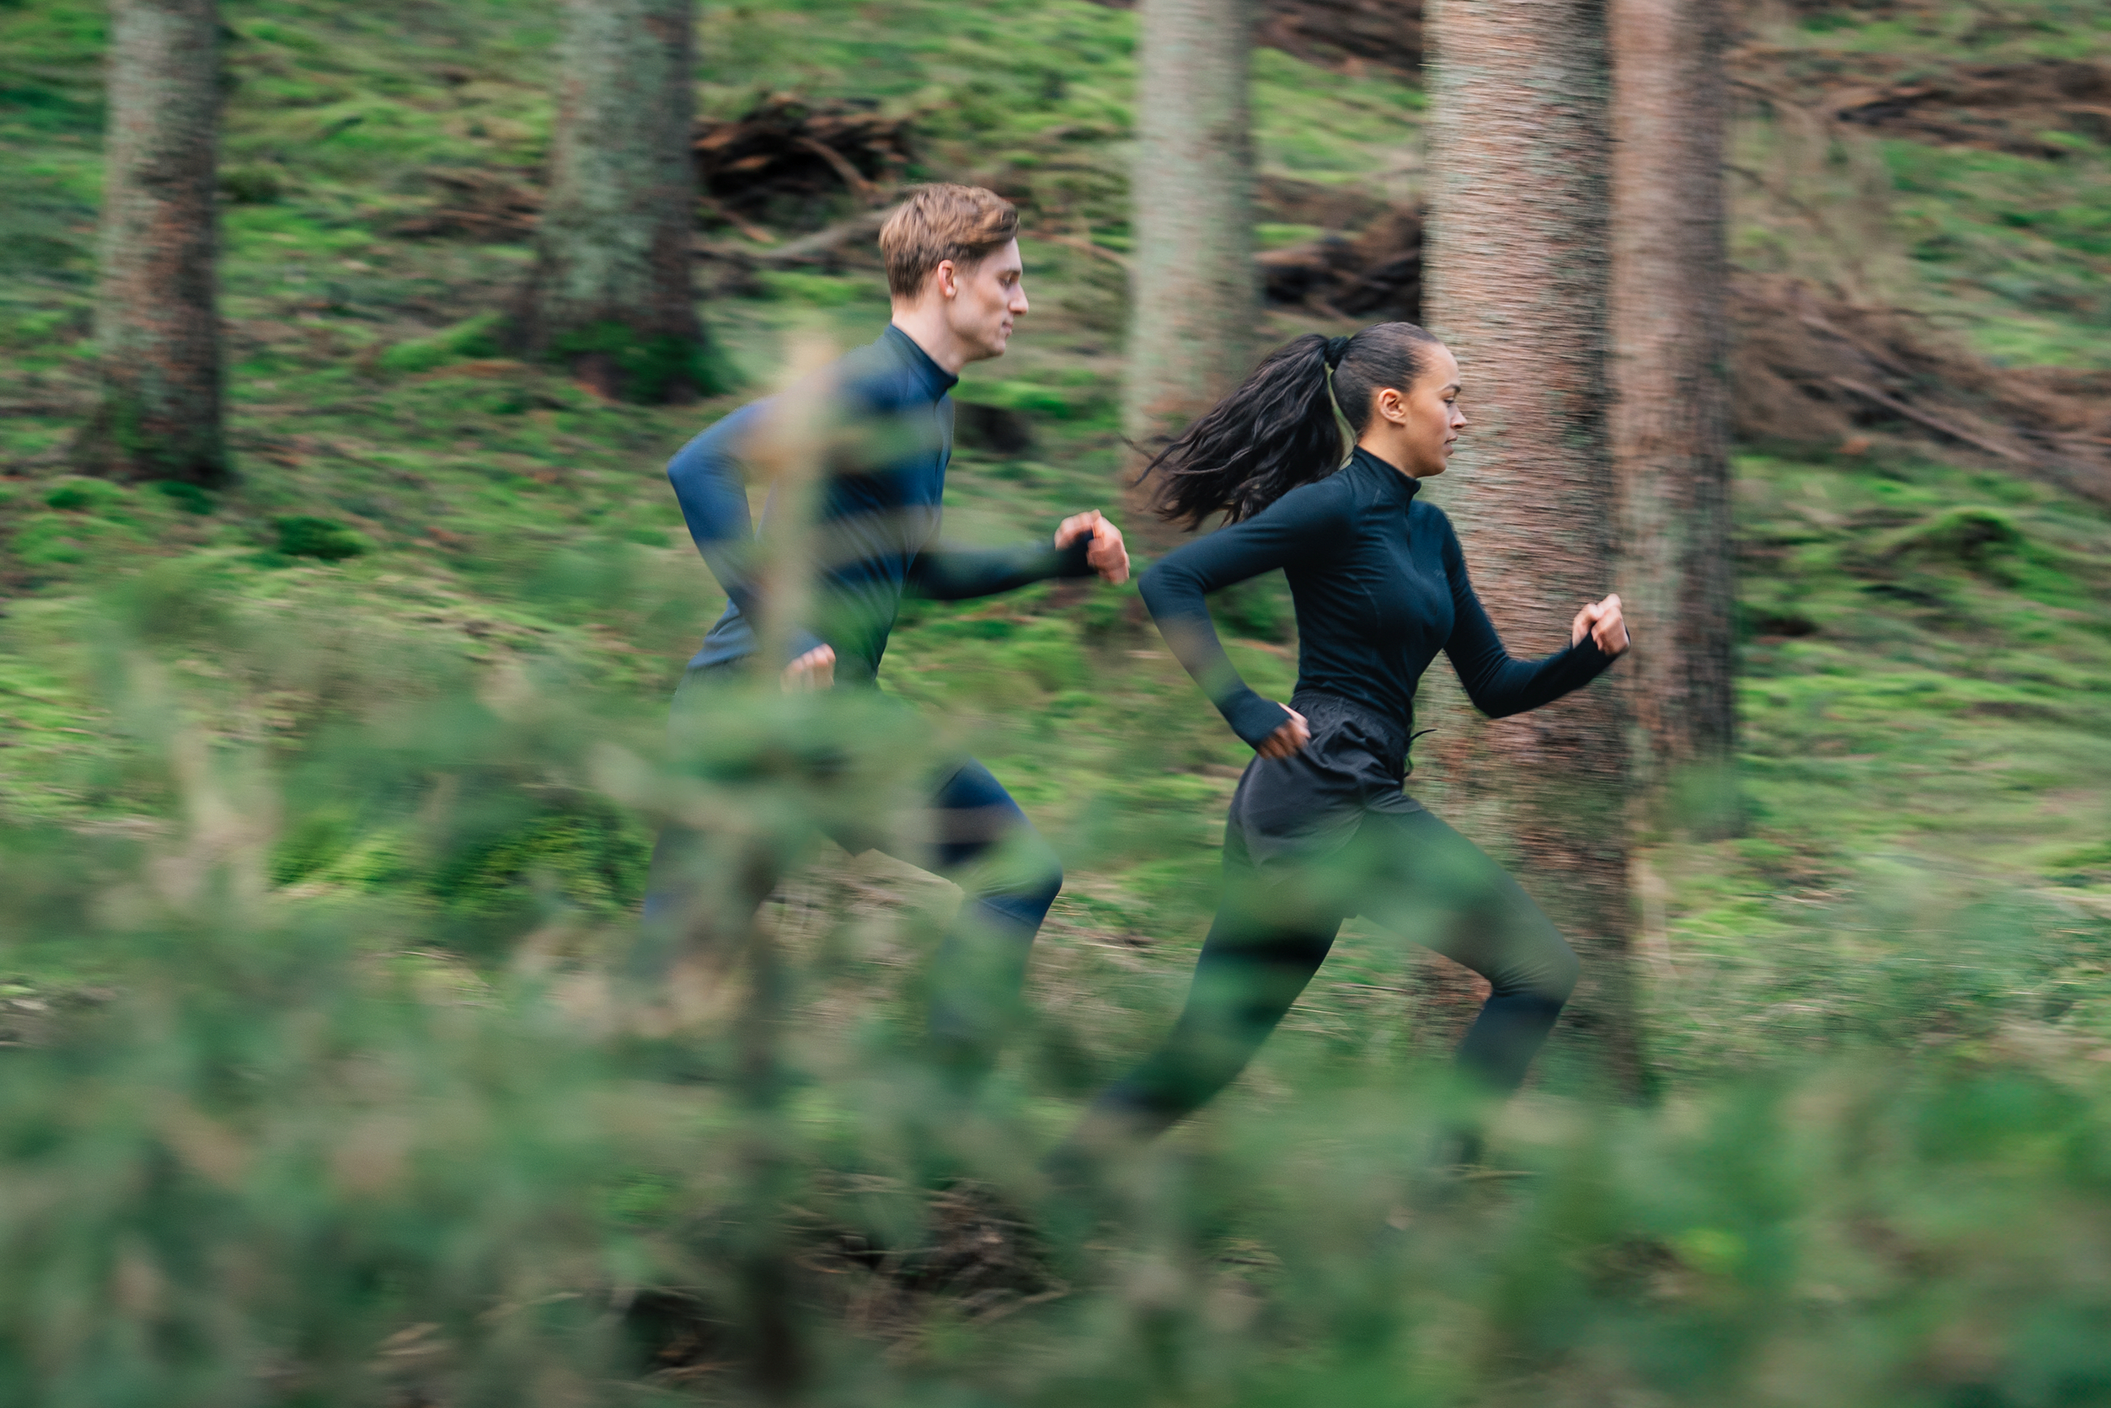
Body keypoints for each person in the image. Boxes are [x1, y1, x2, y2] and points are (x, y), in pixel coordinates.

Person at [1060, 321, 1630, 1161]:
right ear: (1393, 407)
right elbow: (1176, 578)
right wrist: (1241, 706)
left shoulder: (1430, 534)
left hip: (1317, 796)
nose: (1462, 421)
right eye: (1452, 401)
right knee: (1539, 970)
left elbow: (1495, 688)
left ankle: (1052, 1182)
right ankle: (1421, 1199)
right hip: (1328, 783)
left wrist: (1587, 656)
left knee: (1210, 1051)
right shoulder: (1332, 505)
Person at [637, 183, 1129, 1074]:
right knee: (674, 975)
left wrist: (1057, 560)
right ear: (948, 279)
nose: (1024, 302)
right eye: (1008, 281)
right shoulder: (868, 384)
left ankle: (940, 1125)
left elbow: (922, 568)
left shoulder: (928, 401)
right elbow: (701, 465)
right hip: (753, 703)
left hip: (829, 713)